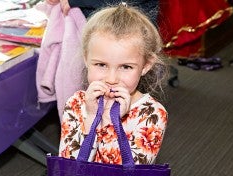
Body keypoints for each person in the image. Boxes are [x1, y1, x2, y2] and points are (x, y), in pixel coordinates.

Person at [58, 4, 168, 165]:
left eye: (126, 67)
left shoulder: (152, 114)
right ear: (86, 59)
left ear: (146, 66)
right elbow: (68, 168)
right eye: (101, 65)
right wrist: (90, 119)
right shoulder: (76, 104)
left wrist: (110, 122)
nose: (111, 78)